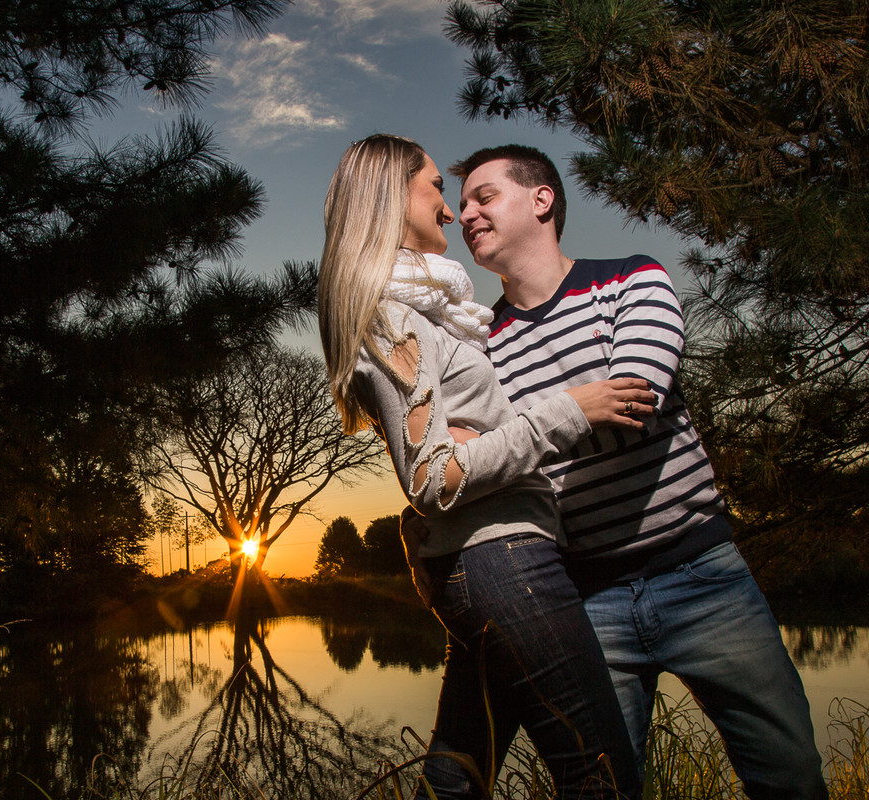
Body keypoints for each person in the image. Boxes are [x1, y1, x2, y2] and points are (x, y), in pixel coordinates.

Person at [414, 143, 827, 799]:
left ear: (541, 199)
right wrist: (554, 418)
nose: (464, 214)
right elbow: (469, 462)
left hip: (702, 576)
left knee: (791, 776)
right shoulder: (477, 344)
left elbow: (631, 407)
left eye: (484, 196)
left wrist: (515, 438)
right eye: (460, 204)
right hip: (581, 597)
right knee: (605, 788)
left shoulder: (634, 279)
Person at [317, 134, 652, 799]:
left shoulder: (434, 310)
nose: (449, 209)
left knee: (457, 777)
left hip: (493, 555)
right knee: (602, 776)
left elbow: (457, 450)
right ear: (391, 198)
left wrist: (484, 440)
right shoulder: (392, 313)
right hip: (502, 563)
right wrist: (567, 411)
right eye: (436, 187)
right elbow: (431, 477)